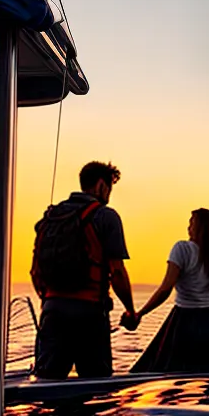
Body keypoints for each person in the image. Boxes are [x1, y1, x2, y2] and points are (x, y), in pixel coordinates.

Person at [30, 161, 137, 380]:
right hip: (89, 314)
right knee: (95, 386)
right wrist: (130, 310)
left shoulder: (50, 218)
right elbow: (117, 272)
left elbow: (35, 271)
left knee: (47, 384)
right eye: (109, 188)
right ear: (101, 185)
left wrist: (50, 301)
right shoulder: (105, 216)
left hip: (52, 311)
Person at [130, 208, 209, 373]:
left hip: (184, 320)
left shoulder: (182, 249)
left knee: (167, 372)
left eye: (192, 223)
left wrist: (140, 314)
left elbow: (166, 288)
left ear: (201, 228)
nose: (188, 228)